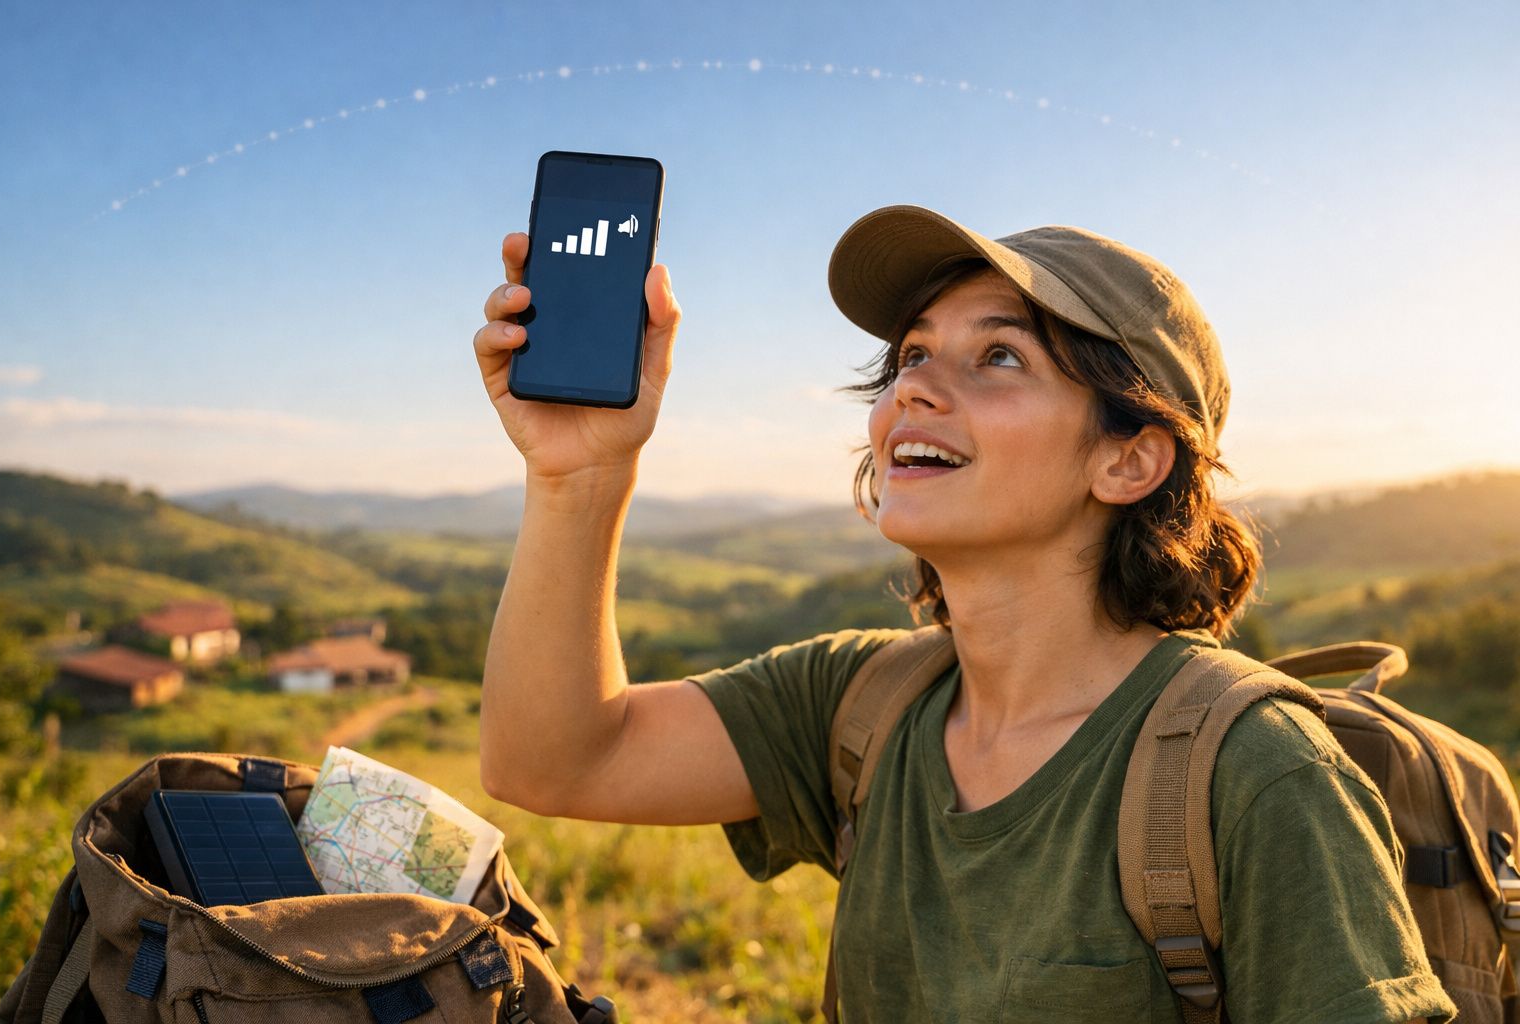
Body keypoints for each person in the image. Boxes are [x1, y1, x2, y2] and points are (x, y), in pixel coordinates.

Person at [472, 204, 1456, 1023]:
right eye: (911, 353)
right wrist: (578, 475)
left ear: (1129, 459)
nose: (914, 388)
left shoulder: (1257, 774)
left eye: (1000, 357)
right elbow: (551, 759)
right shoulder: (862, 703)